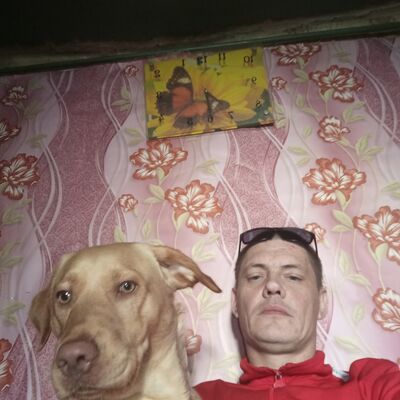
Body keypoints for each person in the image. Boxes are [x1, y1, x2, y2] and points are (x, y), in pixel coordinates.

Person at [195, 227, 400, 399]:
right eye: (256, 276)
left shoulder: (373, 384)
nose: (272, 285)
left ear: (321, 303)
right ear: (235, 303)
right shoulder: (200, 396)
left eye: (293, 277)